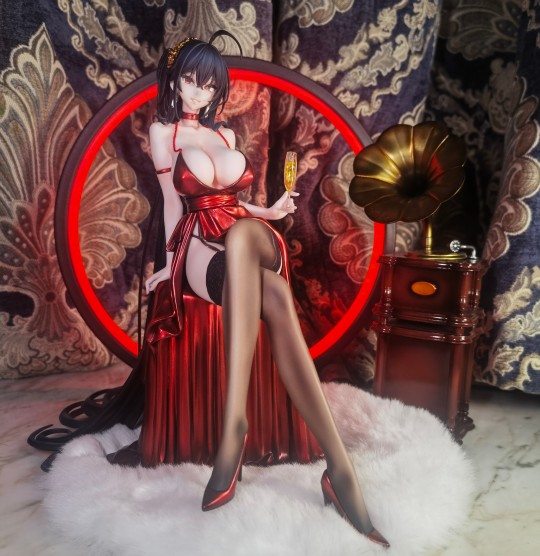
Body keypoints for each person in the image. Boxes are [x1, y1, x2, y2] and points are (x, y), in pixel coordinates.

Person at [30, 31, 389, 548]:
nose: (198, 93)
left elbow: (237, 205)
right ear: (174, 81)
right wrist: (168, 266)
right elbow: (172, 205)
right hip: (198, 243)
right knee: (275, 296)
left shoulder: (225, 136)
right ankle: (340, 471)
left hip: (246, 233)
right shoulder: (164, 134)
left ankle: (232, 430)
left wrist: (271, 211)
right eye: (190, 81)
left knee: (245, 234)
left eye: (208, 85)